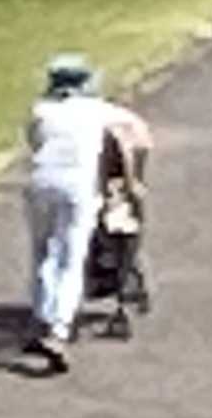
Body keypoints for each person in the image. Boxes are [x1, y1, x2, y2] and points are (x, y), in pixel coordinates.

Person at [22, 53, 148, 368]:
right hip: (79, 187)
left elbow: (34, 142)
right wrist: (132, 174)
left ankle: (41, 315)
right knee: (70, 256)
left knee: (42, 252)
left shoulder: (41, 110)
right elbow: (139, 132)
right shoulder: (97, 110)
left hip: (40, 183)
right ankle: (58, 330)